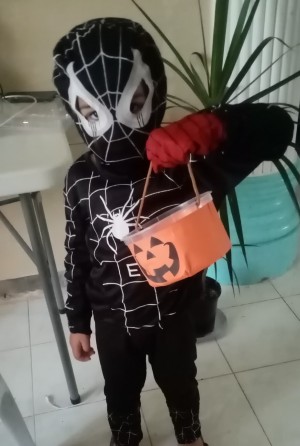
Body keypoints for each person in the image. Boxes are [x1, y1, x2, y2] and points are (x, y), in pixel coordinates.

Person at [53, 18, 294, 446]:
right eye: (90, 111)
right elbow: (76, 254)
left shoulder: (189, 172)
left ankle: (189, 436)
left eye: (135, 99)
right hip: (112, 320)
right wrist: (77, 321)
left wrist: (212, 126)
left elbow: (278, 128)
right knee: (119, 391)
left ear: (154, 91)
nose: (112, 122)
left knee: (181, 382)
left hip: (174, 317)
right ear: (76, 113)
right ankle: (125, 436)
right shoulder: (80, 180)